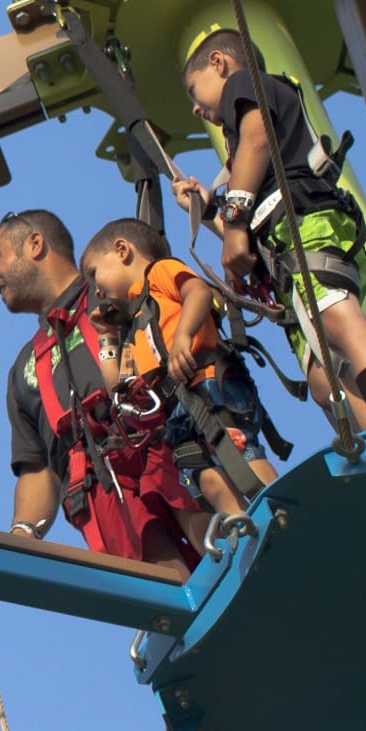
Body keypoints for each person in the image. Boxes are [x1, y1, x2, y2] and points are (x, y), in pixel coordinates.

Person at [172, 29, 366, 429]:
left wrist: (232, 223)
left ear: (219, 62)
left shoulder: (243, 84)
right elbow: (247, 230)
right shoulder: (243, 160)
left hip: (304, 227)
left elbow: (257, 139)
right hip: (282, 247)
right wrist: (209, 208)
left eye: (194, 91)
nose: (196, 109)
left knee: (336, 319)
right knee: (323, 378)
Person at [0, 209, 219, 576]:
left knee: (221, 550)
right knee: (167, 591)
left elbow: (184, 305)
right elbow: (37, 467)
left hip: (171, 451)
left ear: (35, 244)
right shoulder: (25, 371)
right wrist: (23, 533)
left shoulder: (118, 289)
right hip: (105, 496)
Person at [77, 216, 276, 523]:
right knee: (201, 471)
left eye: (95, 275)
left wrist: (183, 334)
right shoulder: (133, 329)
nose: (97, 292)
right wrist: (106, 337)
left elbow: (198, 292)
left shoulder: (159, 272)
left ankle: (277, 506)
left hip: (207, 382)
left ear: (122, 250)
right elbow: (116, 383)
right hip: (177, 409)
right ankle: (243, 523)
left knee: (236, 448)